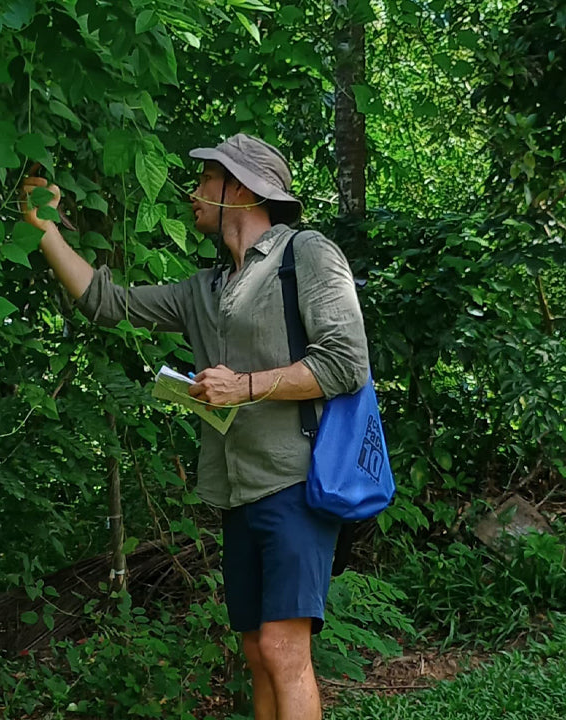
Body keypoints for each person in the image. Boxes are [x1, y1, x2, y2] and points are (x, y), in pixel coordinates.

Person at [21, 133, 368, 720]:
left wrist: (245, 385)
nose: (194, 191)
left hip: (298, 481)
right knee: (258, 650)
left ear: (241, 189)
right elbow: (108, 303)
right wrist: (43, 227)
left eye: (207, 179)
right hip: (237, 489)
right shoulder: (203, 291)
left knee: (285, 649)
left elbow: (346, 362)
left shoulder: (305, 254)